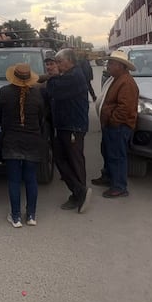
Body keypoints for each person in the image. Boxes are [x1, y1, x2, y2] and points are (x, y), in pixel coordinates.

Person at [0, 63, 45, 227]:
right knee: (31, 179)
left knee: (14, 181)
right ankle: (31, 215)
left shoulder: (4, 92)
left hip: (11, 140)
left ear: (13, 77)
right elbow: (42, 117)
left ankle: (15, 217)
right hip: (33, 140)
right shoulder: (37, 93)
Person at [46, 49, 93, 214]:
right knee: (63, 159)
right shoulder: (69, 75)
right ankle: (78, 191)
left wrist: (52, 76)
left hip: (73, 126)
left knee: (73, 160)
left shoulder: (73, 77)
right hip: (66, 125)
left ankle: (79, 192)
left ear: (70, 61)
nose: (57, 65)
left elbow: (53, 89)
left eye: (59, 62)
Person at [96, 50, 139, 198]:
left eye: (111, 63)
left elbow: (124, 108)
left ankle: (119, 187)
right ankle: (109, 177)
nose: (108, 66)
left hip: (118, 126)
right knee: (108, 152)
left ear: (120, 66)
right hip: (112, 125)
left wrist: (113, 121)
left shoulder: (126, 83)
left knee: (117, 156)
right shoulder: (117, 79)